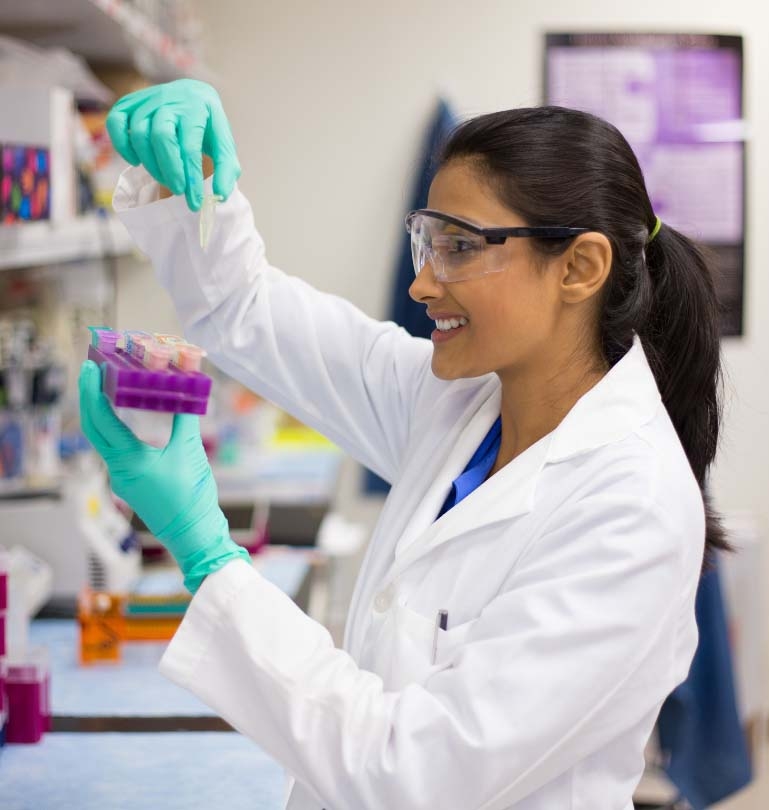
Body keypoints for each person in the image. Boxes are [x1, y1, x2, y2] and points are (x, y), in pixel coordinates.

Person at [78, 79, 726, 810]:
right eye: (428, 240)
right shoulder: (459, 403)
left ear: (579, 267)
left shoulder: (632, 507)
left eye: (459, 247)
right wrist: (187, 185)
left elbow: (412, 777)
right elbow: (245, 312)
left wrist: (207, 553)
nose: (422, 283)